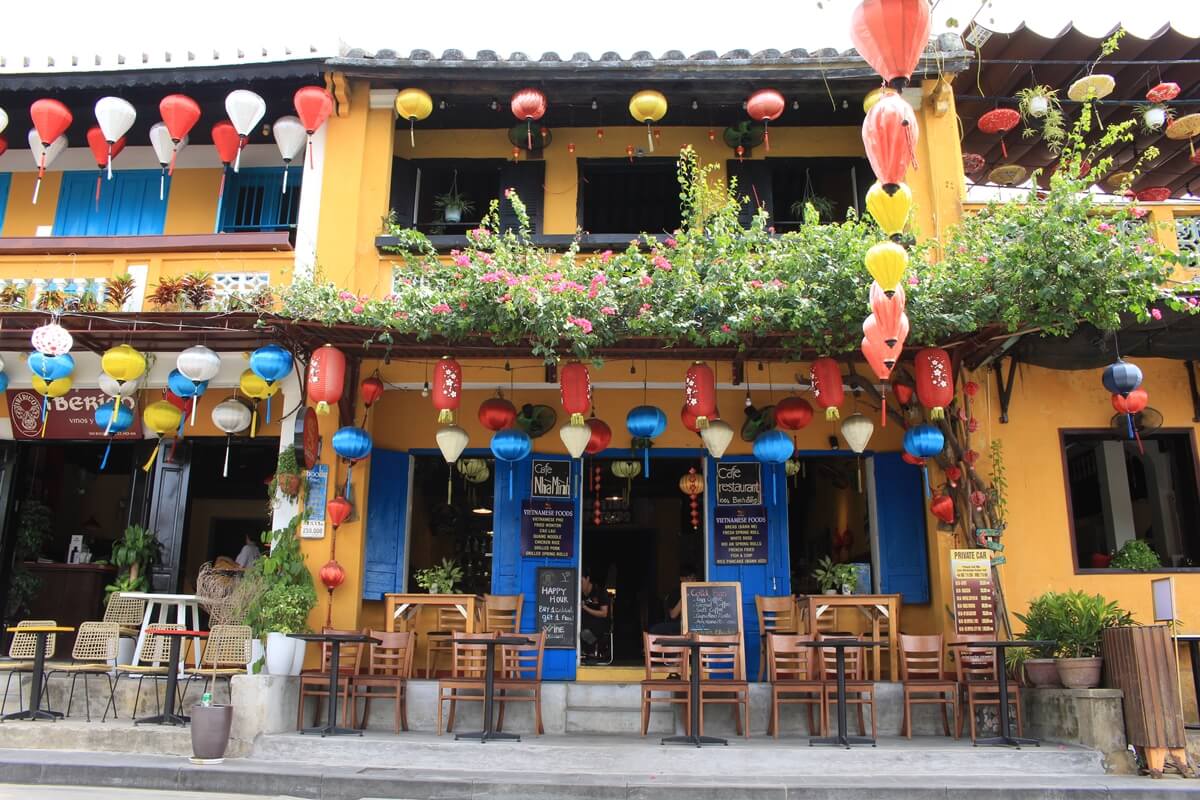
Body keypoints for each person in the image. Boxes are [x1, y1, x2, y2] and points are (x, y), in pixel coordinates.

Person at [649, 564, 699, 636]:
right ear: (681, 579)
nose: (691, 581)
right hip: (678, 624)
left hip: (694, 625)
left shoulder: (700, 592)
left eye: (694, 578)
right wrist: (686, 594)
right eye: (688, 578)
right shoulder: (675, 593)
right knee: (654, 629)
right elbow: (673, 615)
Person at [579, 569, 610, 659]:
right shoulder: (577, 592)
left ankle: (592, 653)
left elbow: (604, 613)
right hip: (584, 624)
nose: (580, 585)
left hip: (600, 625)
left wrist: (585, 608)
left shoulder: (599, 591)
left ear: (588, 579)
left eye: (581, 581)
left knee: (585, 631)